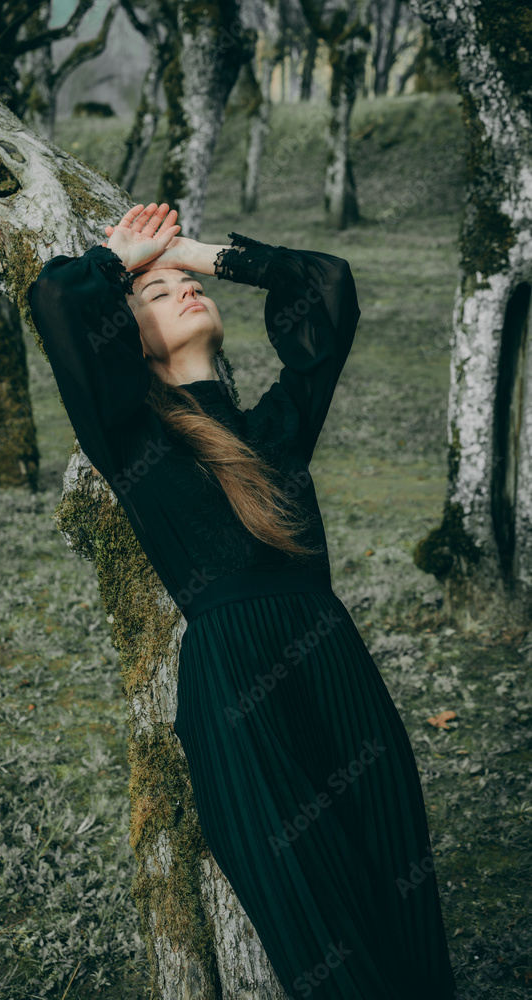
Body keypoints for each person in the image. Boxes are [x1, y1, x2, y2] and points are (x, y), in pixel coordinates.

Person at [27, 203, 458, 1000]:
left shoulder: (276, 430)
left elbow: (326, 286)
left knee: (396, 886)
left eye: (183, 284)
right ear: (129, 339)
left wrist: (199, 254)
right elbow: (57, 300)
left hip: (337, 669)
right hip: (235, 693)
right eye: (156, 296)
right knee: (316, 916)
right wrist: (120, 259)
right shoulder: (133, 441)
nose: (182, 291)